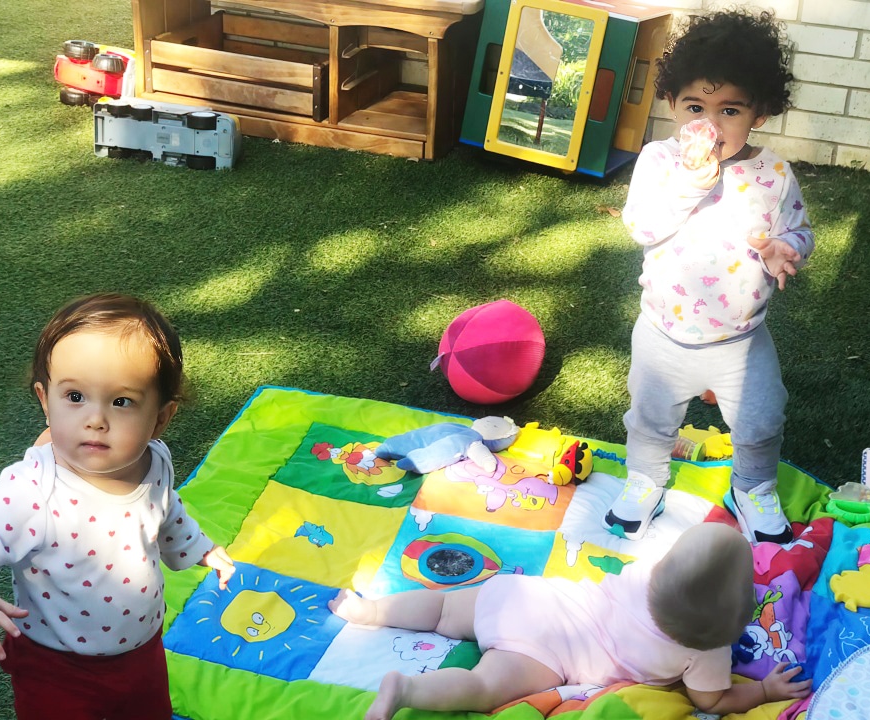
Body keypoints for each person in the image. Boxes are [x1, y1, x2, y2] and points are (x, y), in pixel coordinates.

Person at [0, 292, 236, 720]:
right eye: (74, 397)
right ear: (44, 399)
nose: (95, 419)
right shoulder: (35, 490)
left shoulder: (154, 460)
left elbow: (165, 511)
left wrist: (198, 547)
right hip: (56, 667)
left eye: (121, 401)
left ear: (160, 418)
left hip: (142, 651)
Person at [603, 8, 814, 544]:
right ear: (673, 103)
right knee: (650, 422)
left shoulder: (773, 174)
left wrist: (786, 249)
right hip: (662, 331)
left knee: (763, 421)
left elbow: (799, 230)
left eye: (730, 110)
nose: (711, 126)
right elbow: (642, 226)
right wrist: (693, 184)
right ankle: (645, 481)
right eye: (696, 107)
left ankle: (752, 487)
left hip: (741, 339)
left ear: (759, 114)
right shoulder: (660, 161)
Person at [329, 522, 810, 720]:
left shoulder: (644, 575)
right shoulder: (707, 650)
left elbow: (687, 575)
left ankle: (369, 611)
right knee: (480, 688)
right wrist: (763, 692)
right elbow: (712, 698)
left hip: (527, 596)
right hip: (542, 652)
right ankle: (407, 690)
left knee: (441, 609)